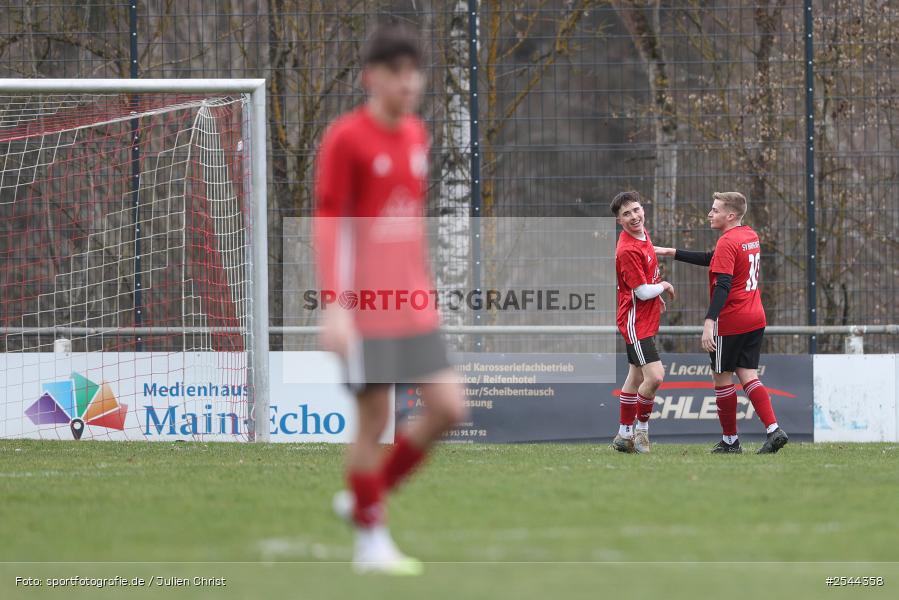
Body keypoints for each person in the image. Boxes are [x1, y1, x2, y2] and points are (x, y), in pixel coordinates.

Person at [313, 23, 467, 575]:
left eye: (414, 73)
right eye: (396, 73)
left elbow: (409, 224)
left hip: (413, 305)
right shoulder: (345, 138)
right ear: (370, 78)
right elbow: (330, 223)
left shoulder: (417, 137)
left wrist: (425, 287)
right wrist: (334, 305)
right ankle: (370, 542)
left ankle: (364, 496)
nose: (408, 84)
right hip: (364, 308)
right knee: (373, 418)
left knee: (450, 407)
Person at [654, 192, 788, 454]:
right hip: (755, 316)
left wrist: (709, 322)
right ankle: (774, 430)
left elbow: (723, 284)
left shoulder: (728, 242)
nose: (709, 214)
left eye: (714, 210)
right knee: (748, 374)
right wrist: (672, 252)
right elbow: (712, 258)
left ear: (730, 215)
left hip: (732, 320)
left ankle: (730, 441)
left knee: (722, 378)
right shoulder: (749, 235)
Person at [610, 191, 675, 453]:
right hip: (634, 323)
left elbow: (646, 277)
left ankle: (623, 436)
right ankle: (641, 432)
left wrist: (655, 293)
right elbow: (641, 291)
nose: (634, 216)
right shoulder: (626, 249)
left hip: (644, 318)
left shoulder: (643, 235)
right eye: (626, 214)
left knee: (635, 376)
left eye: (636, 209)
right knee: (656, 377)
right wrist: (663, 286)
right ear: (619, 221)